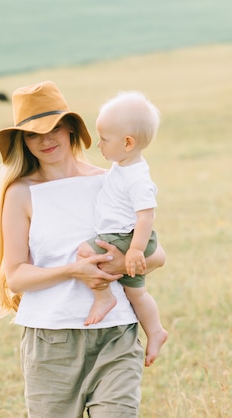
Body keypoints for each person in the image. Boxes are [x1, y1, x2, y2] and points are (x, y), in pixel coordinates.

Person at [0, 81, 166, 417]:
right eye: (33, 134)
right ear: (23, 140)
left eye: (54, 129)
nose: (45, 140)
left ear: (70, 129)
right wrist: (73, 270)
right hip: (52, 344)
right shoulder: (21, 194)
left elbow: (156, 255)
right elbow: (17, 277)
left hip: (115, 335)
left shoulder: (109, 179)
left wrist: (118, 265)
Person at [77, 91, 168, 367]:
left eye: (104, 139)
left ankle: (103, 298)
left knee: (84, 252)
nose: (98, 145)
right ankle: (155, 331)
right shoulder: (122, 166)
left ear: (128, 143)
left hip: (128, 238)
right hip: (128, 238)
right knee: (136, 293)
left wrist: (135, 250)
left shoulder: (137, 177)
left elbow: (146, 215)